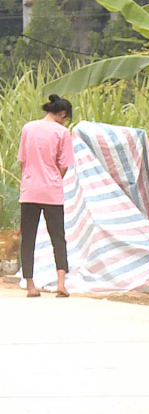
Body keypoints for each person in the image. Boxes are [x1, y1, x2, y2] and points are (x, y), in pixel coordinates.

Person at [18, 94, 75, 298]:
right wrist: (53, 179)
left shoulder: (28, 128)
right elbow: (64, 165)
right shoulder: (62, 132)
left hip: (30, 189)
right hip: (52, 191)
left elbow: (22, 161)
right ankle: (61, 283)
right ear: (62, 113)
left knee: (28, 239)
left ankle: (30, 285)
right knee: (58, 238)